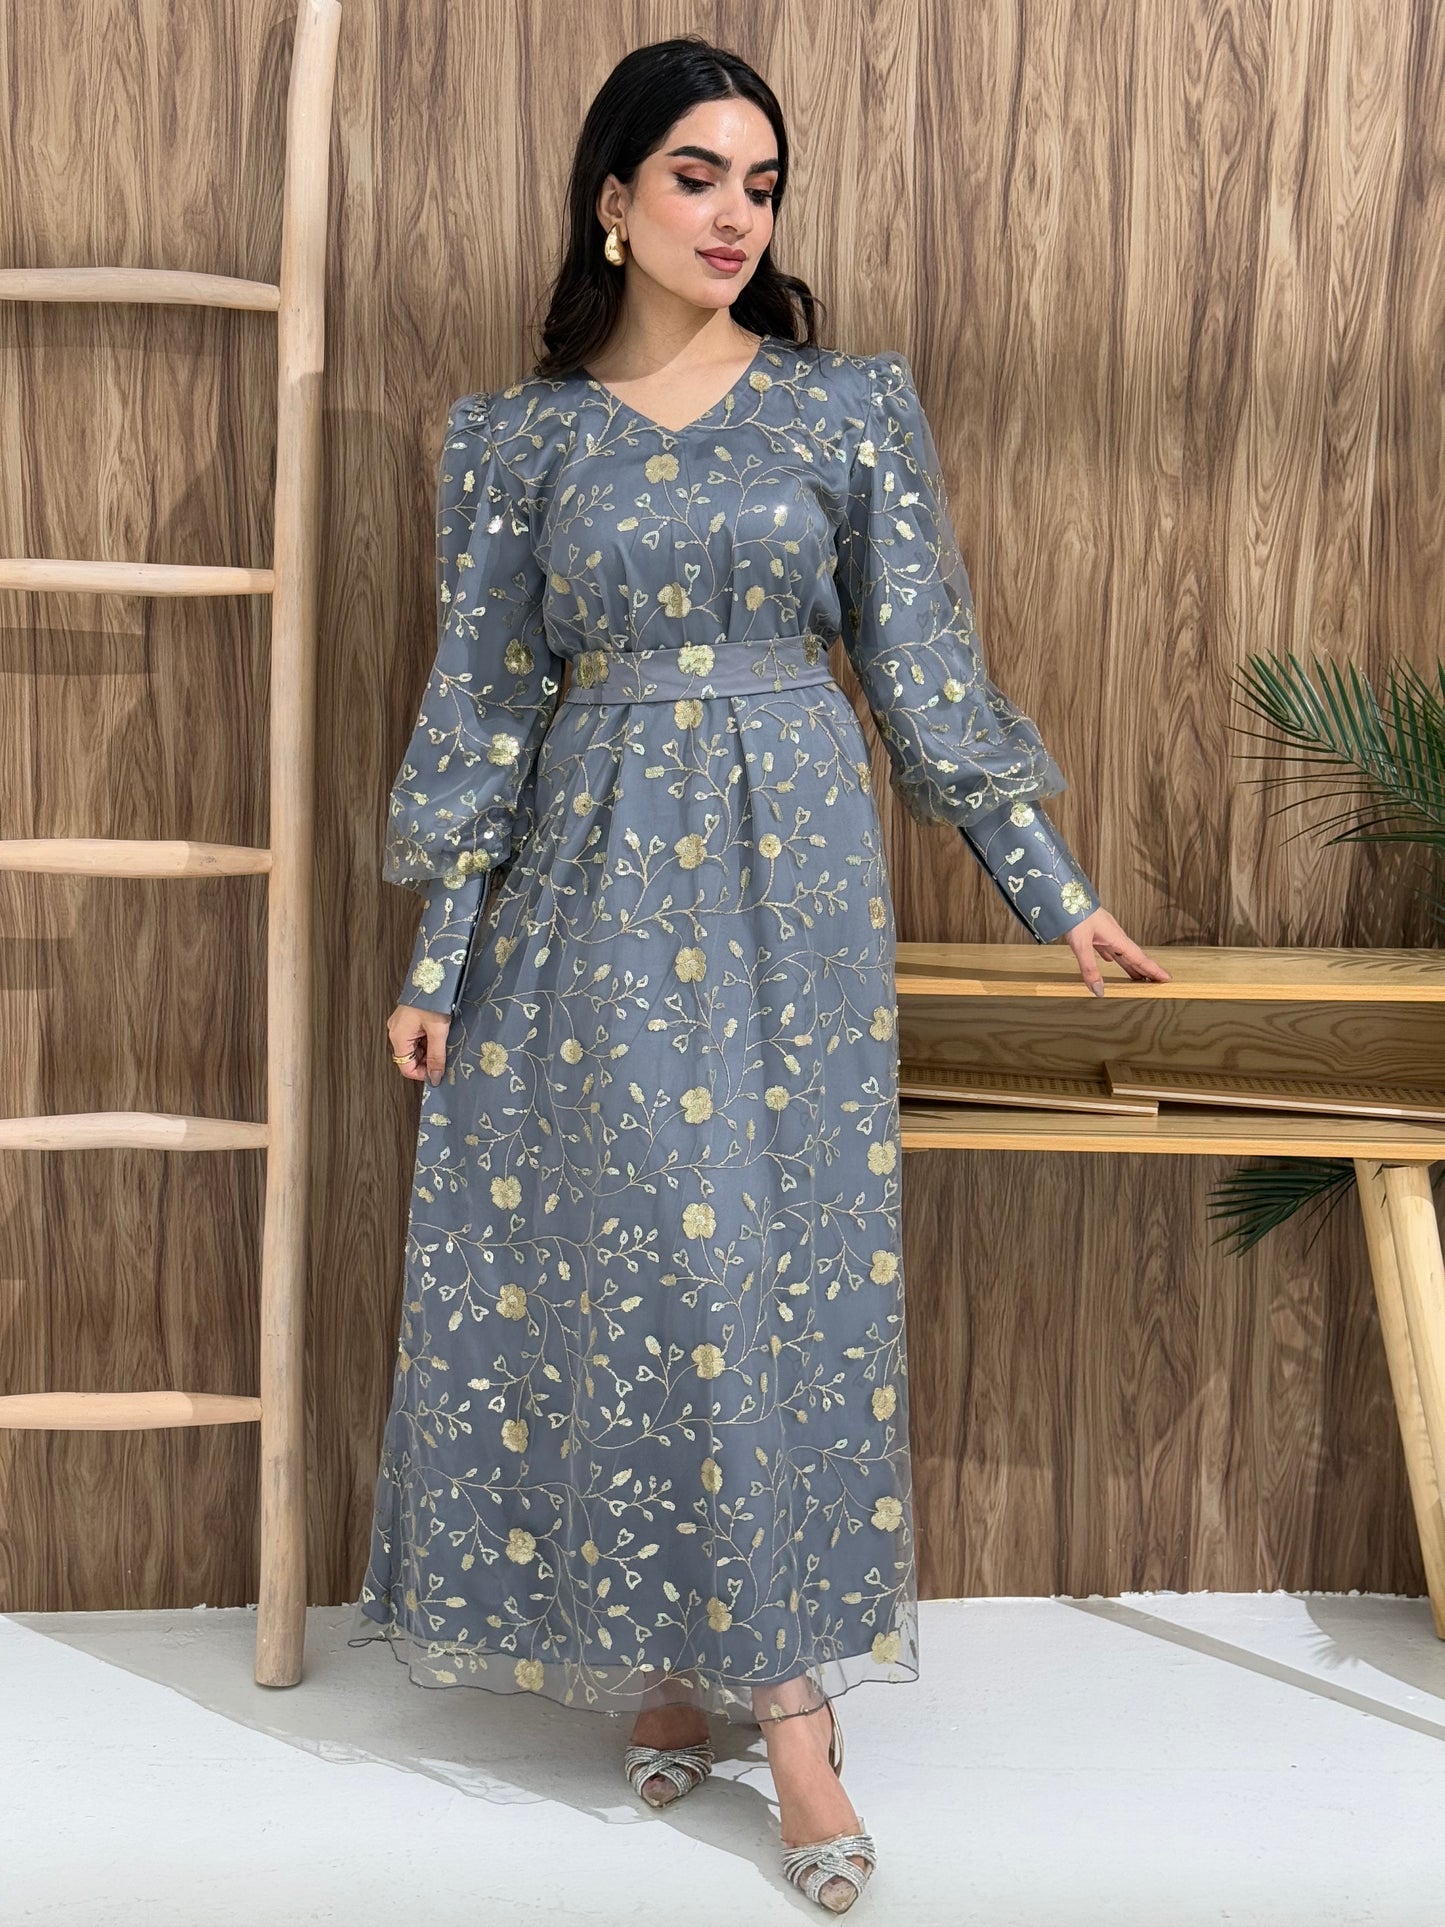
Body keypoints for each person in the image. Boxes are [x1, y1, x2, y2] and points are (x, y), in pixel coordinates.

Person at [350, 33, 1169, 1915]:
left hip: (793, 886)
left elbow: (928, 678)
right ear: (612, 197)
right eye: (701, 175)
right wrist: (438, 951)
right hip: (582, 881)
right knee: (634, 1243)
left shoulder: (846, 412)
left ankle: (787, 1707)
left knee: (766, 1255)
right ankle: (665, 1644)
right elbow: (478, 708)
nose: (736, 215)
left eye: (763, 184)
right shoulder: (516, 439)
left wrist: (1047, 889)